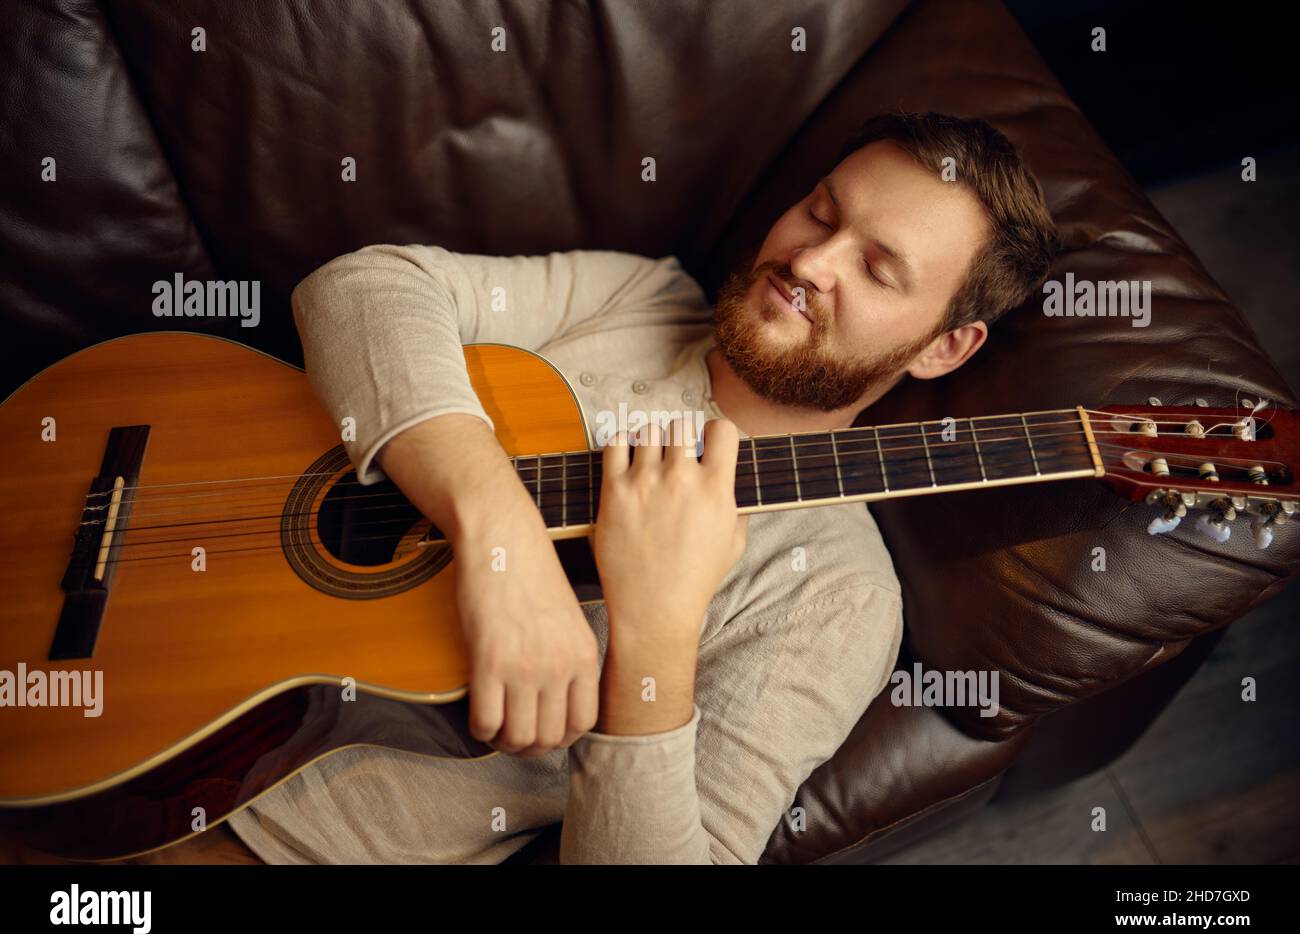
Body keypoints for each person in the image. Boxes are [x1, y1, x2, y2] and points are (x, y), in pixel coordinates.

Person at [225, 111, 1058, 864]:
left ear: (944, 349)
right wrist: (499, 537)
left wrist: (655, 632)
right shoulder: (643, 295)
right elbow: (363, 286)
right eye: (821, 210)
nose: (809, 260)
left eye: (877, 268)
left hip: (255, 837)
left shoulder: (840, 595)